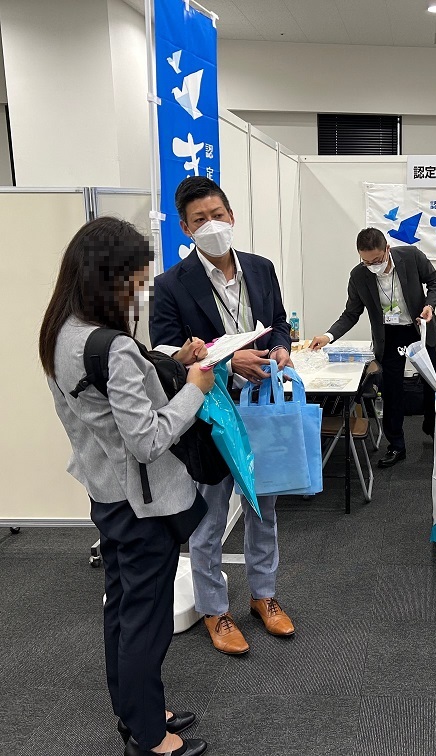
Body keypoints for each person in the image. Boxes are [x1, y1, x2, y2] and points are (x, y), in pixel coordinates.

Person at [40, 217, 212, 756]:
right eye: (134, 280)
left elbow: (105, 406)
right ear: (108, 277)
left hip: (107, 493)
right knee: (146, 618)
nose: (139, 291)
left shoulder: (61, 332)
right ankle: (149, 737)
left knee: (122, 607)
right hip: (144, 503)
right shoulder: (110, 346)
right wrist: (195, 389)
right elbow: (148, 439)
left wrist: (170, 363)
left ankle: (135, 709)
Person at [150, 176, 295, 655]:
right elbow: (165, 355)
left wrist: (280, 349)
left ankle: (264, 595)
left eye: (217, 215)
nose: (211, 225)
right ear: (185, 228)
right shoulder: (170, 285)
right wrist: (228, 362)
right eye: (199, 220)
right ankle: (214, 609)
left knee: (264, 509)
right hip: (211, 417)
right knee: (210, 518)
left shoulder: (261, 268)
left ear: (231, 215)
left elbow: (278, 323)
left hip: (261, 407)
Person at [310, 228, 436, 468]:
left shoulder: (411, 256)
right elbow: (351, 314)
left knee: (432, 384)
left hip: (419, 328)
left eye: (377, 260)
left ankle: (434, 430)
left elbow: (434, 280)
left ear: (387, 249)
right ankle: (396, 445)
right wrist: (328, 336)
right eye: (366, 262)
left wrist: (429, 305)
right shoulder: (359, 275)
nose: (373, 266)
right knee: (391, 391)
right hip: (389, 335)